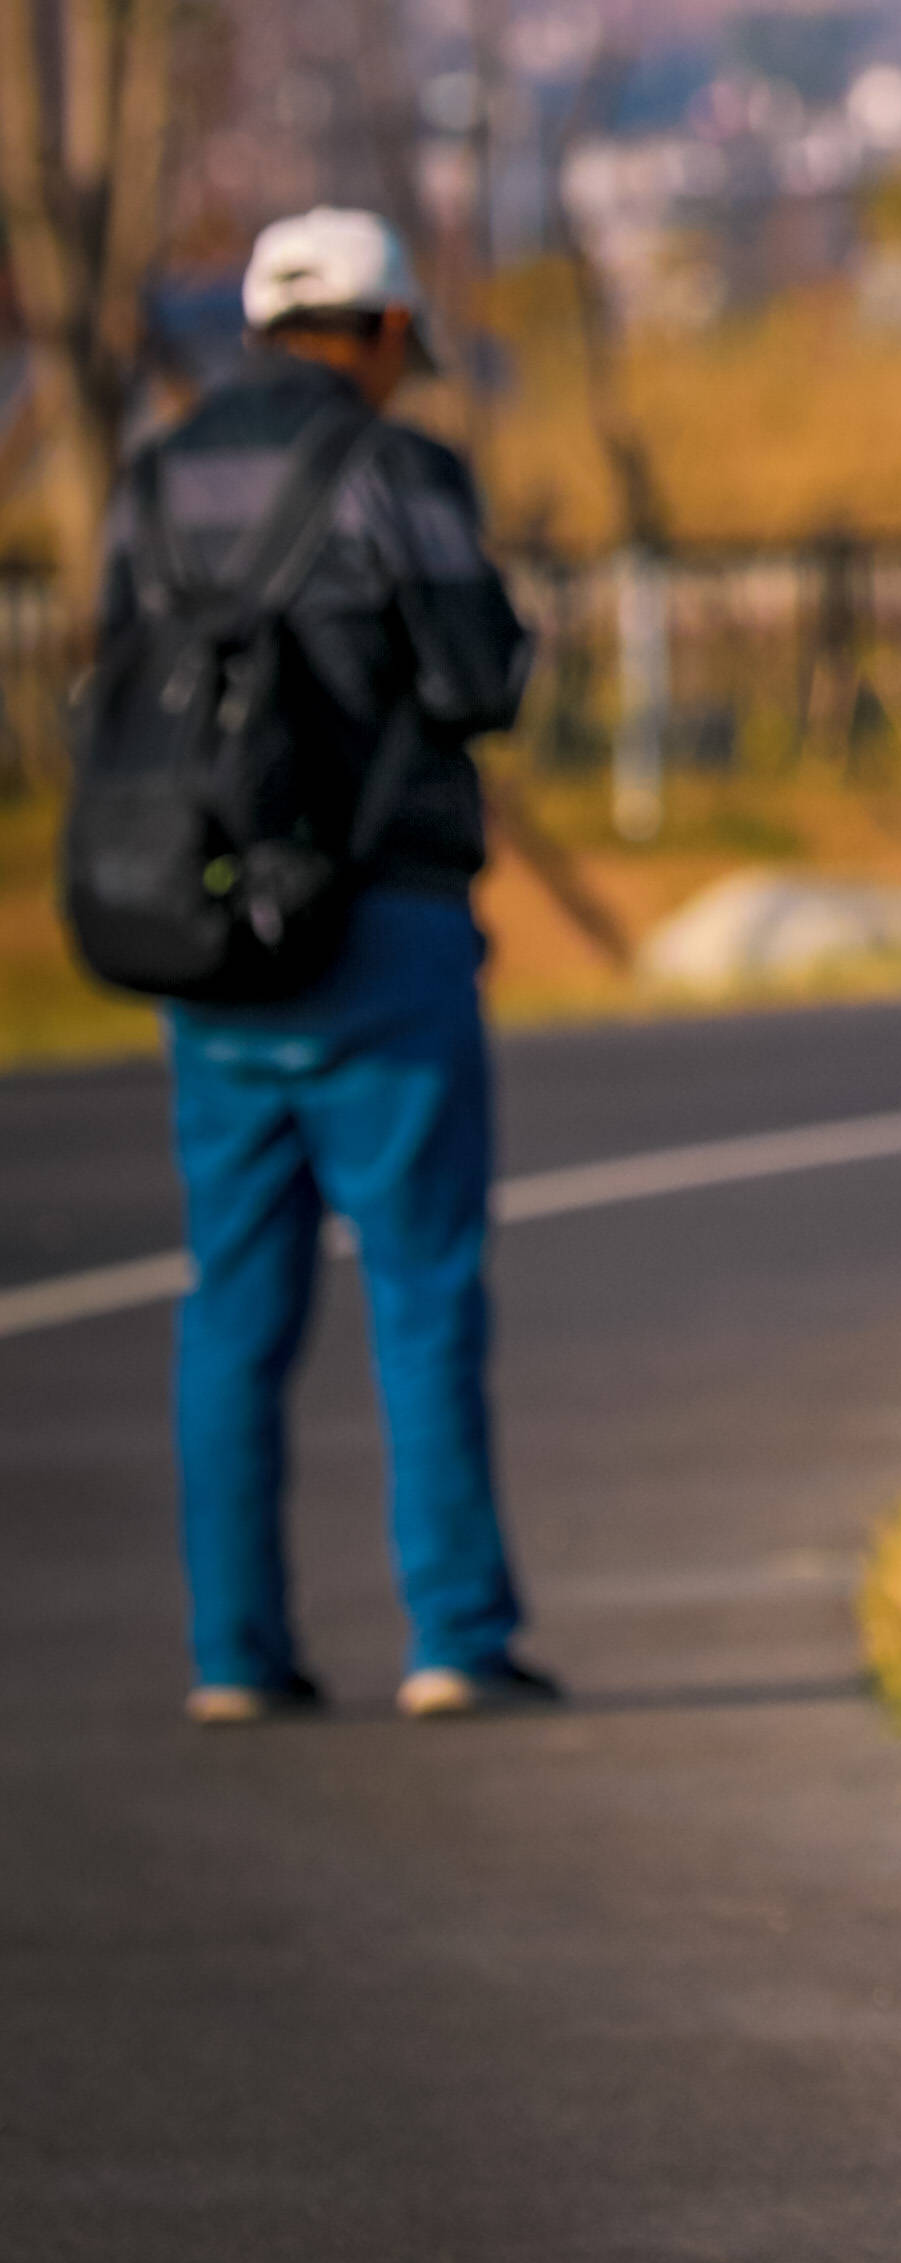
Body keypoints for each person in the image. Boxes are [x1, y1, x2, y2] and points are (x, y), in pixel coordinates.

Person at [110, 206, 559, 1729]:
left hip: (211, 941)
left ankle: (233, 1652)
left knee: (233, 1307)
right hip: (381, 925)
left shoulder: (156, 478)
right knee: (423, 1286)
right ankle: (456, 1636)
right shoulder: (397, 471)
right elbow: (476, 678)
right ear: (378, 334)